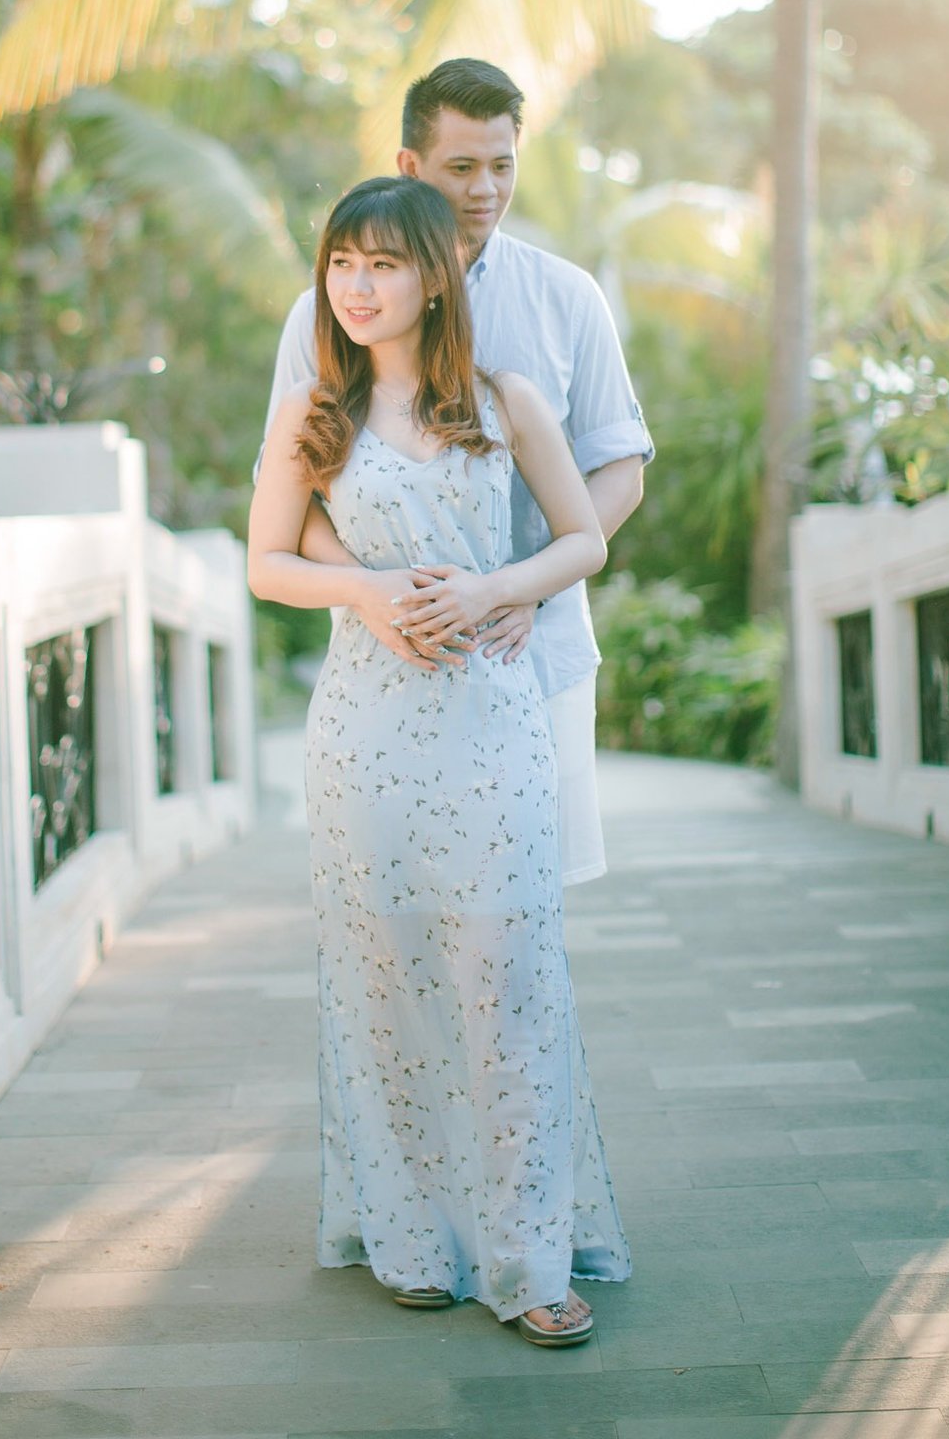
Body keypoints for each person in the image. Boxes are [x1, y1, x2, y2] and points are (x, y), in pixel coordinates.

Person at [248, 175, 630, 1342]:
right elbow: (266, 561)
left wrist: (496, 588)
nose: (357, 288)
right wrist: (362, 592)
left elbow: (584, 536)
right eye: (340, 265)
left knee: (508, 976)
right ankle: (411, 1237)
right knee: (383, 980)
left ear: (434, 276)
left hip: (492, 722)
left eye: (383, 265)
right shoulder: (316, 410)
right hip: (365, 735)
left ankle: (530, 1259)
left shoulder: (506, 399)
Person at [263, 57, 654, 885]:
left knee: (523, 905)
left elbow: (618, 472)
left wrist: (516, 587)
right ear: (410, 167)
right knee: (397, 917)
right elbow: (294, 496)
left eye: (502, 166)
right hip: (389, 662)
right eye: (462, 168)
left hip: (534, 649)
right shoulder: (330, 308)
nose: (484, 190)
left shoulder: (566, 296)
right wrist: (386, 595)